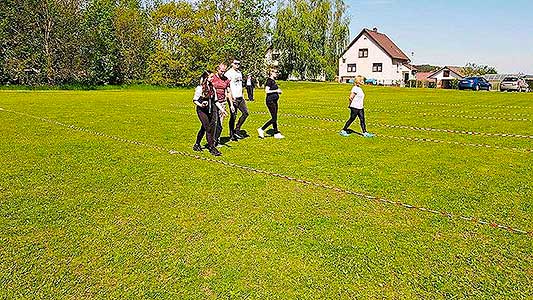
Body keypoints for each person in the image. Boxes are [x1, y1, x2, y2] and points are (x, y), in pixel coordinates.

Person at [192, 71, 223, 156]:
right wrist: (201, 104)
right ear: (206, 78)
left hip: (212, 109)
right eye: (211, 77)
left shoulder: (212, 88)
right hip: (202, 110)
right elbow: (195, 100)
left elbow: (216, 101)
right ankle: (212, 148)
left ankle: (197, 144)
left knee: (207, 128)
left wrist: (222, 110)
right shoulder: (200, 88)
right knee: (208, 128)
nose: (213, 78)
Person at [225, 59, 249, 141]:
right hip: (233, 97)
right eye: (235, 63)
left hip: (240, 97)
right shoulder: (228, 73)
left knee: (245, 113)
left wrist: (242, 94)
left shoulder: (239, 73)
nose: (237, 65)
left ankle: (237, 129)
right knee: (233, 116)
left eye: (239, 63)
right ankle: (231, 134)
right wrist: (230, 98)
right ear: (232, 64)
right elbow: (227, 87)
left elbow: (240, 85)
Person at [258, 69, 284, 139]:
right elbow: (266, 91)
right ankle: (261, 129)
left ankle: (276, 133)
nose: (277, 73)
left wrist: (278, 92)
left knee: (275, 117)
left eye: (277, 72)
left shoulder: (273, 81)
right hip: (270, 101)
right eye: (275, 72)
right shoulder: (269, 81)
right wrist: (276, 90)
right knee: (274, 118)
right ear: (271, 73)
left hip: (274, 101)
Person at [211, 64, 231, 146]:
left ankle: (217, 140)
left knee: (220, 123)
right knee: (213, 122)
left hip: (222, 102)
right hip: (213, 102)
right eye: (221, 71)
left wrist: (231, 104)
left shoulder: (226, 79)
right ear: (217, 69)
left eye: (224, 71)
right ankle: (211, 141)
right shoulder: (212, 78)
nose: (223, 73)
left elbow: (228, 92)